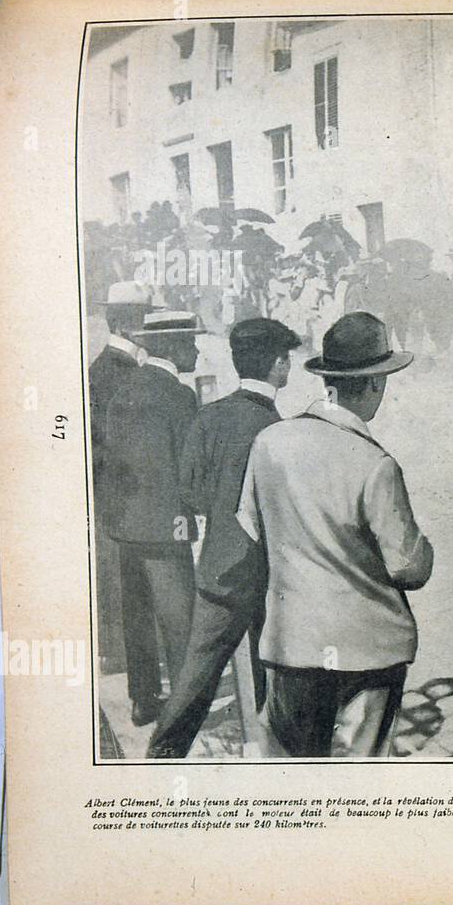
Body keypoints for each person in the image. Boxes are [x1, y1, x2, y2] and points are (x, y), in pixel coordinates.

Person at [236, 312, 434, 757]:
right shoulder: (375, 464)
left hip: (290, 645)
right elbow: (408, 567)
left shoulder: (269, 441)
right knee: (357, 778)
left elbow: (250, 526)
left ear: (328, 380)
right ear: (372, 385)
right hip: (368, 651)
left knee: (295, 769)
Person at [147, 318, 302, 759]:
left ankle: (161, 753)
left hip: (218, 569)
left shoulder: (209, 415)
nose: (288, 364)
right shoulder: (277, 428)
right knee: (272, 668)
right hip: (268, 574)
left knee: (198, 673)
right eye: (286, 357)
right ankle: (274, 754)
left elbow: (190, 490)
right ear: (276, 366)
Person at [106, 310, 204, 727]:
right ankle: (185, 707)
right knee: (179, 617)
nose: (197, 349)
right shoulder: (179, 396)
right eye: (192, 342)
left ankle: (143, 699)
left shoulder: (123, 389)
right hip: (168, 525)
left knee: (138, 616)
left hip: (126, 524)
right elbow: (189, 468)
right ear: (175, 346)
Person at [89, 282, 151, 675]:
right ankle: (127, 658)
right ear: (131, 325)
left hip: (113, 492)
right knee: (127, 579)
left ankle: (124, 655)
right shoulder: (119, 372)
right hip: (123, 494)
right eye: (145, 319)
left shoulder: (103, 367)